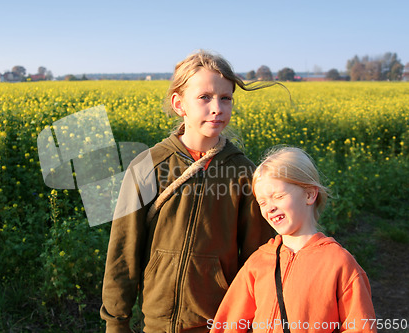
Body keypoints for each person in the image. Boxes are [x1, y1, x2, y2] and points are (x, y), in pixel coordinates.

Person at [100, 50, 276, 333]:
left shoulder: (243, 172)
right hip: (157, 320)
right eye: (204, 97)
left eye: (226, 98)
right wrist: (116, 323)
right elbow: (123, 251)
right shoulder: (148, 165)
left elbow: (257, 254)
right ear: (179, 104)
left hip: (219, 320)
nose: (217, 107)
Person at [209, 146, 376, 333]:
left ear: (309, 194)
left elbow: (361, 328)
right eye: (262, 202)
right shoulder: (258, 263)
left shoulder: (339, 263)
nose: (269, 207)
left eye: (278, 196)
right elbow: (227, 326)